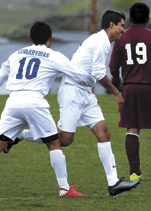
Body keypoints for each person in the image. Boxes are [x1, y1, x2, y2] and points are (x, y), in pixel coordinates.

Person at [0, 21, 97, 198]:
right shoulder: (54, 55)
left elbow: (1, 74)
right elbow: (77, 75)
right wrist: (92, 80)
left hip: (13, 102)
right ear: (50, 38)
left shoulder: (16, 54)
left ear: (30, 38)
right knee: (54, 143)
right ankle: (64, 189)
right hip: (35, 102)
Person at [14, 10, 140, 197]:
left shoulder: (105, 42)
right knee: (65, 140)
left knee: (103, 132)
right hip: (72, 91)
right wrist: (116, 93)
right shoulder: (100, 42)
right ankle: (21, 134)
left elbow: (94, 73)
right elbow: (98, 73)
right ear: (112, 25)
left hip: (85, 93)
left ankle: (113, 183)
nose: (124, 29)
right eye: (122, 25)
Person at [109, 2, 151, 182]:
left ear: (130, 19)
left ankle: (135, 172)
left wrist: (118, 84)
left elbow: (112, 68)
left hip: (130, 88)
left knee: (132, 129)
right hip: (149, 86)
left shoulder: (122, 38)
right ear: (148, 19)